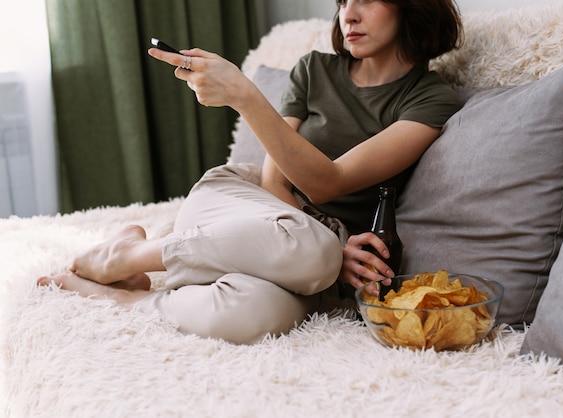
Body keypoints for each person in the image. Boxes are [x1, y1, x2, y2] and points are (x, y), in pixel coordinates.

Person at [38, 0, 464, 344]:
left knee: (259, 314)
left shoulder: (429, 100)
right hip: (242, 198)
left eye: (366, 0)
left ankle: (116, 294)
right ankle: (126, 256)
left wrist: (245, 96)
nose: (347, 14)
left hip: (306, 259)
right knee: (313, 252)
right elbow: (274, 181)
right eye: (341, 1)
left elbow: (327, 182)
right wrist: (332, 248)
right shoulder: (314, 70)